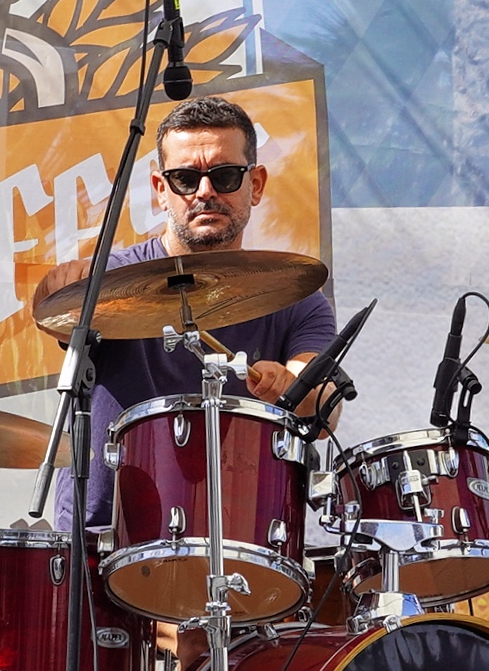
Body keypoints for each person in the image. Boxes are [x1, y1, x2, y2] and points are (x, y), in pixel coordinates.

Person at [59, 93, 337, 547]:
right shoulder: (110, 284)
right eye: (186, 178)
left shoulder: (297, 301)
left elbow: (323, 401)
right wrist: (53, 286)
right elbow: (51, 308)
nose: (205, 192)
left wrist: (289, 382)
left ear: (257, 184)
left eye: (225, 175)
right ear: (160, 189)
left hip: (242, 546)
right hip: (105, 545)